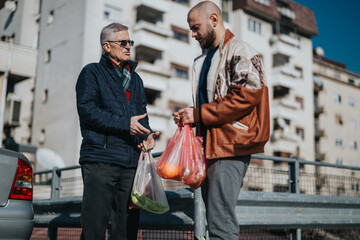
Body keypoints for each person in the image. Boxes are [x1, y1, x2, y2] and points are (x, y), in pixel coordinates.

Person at [173, 1, 270, 240]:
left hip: (230, 146)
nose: (193, 34)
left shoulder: (240, 51)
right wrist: (192, 115)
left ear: (214, 20)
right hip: (210, 147)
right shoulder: (204, 60)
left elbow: (245, 97)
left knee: (221, 225)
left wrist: (199, 114)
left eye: (196, 28)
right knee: (216, 221)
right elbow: (213, 100)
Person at [76, 23, 159, 240]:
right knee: (94, 227)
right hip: (100, 160)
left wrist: (147, 137)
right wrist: (125, 124)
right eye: (123, 42)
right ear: (106, 46)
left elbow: (141, 118)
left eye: (130, 42)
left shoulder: (137, 79)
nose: (128, 46)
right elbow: (88, 111)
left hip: (131, 163)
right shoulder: (91, 72)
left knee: (127, 230)